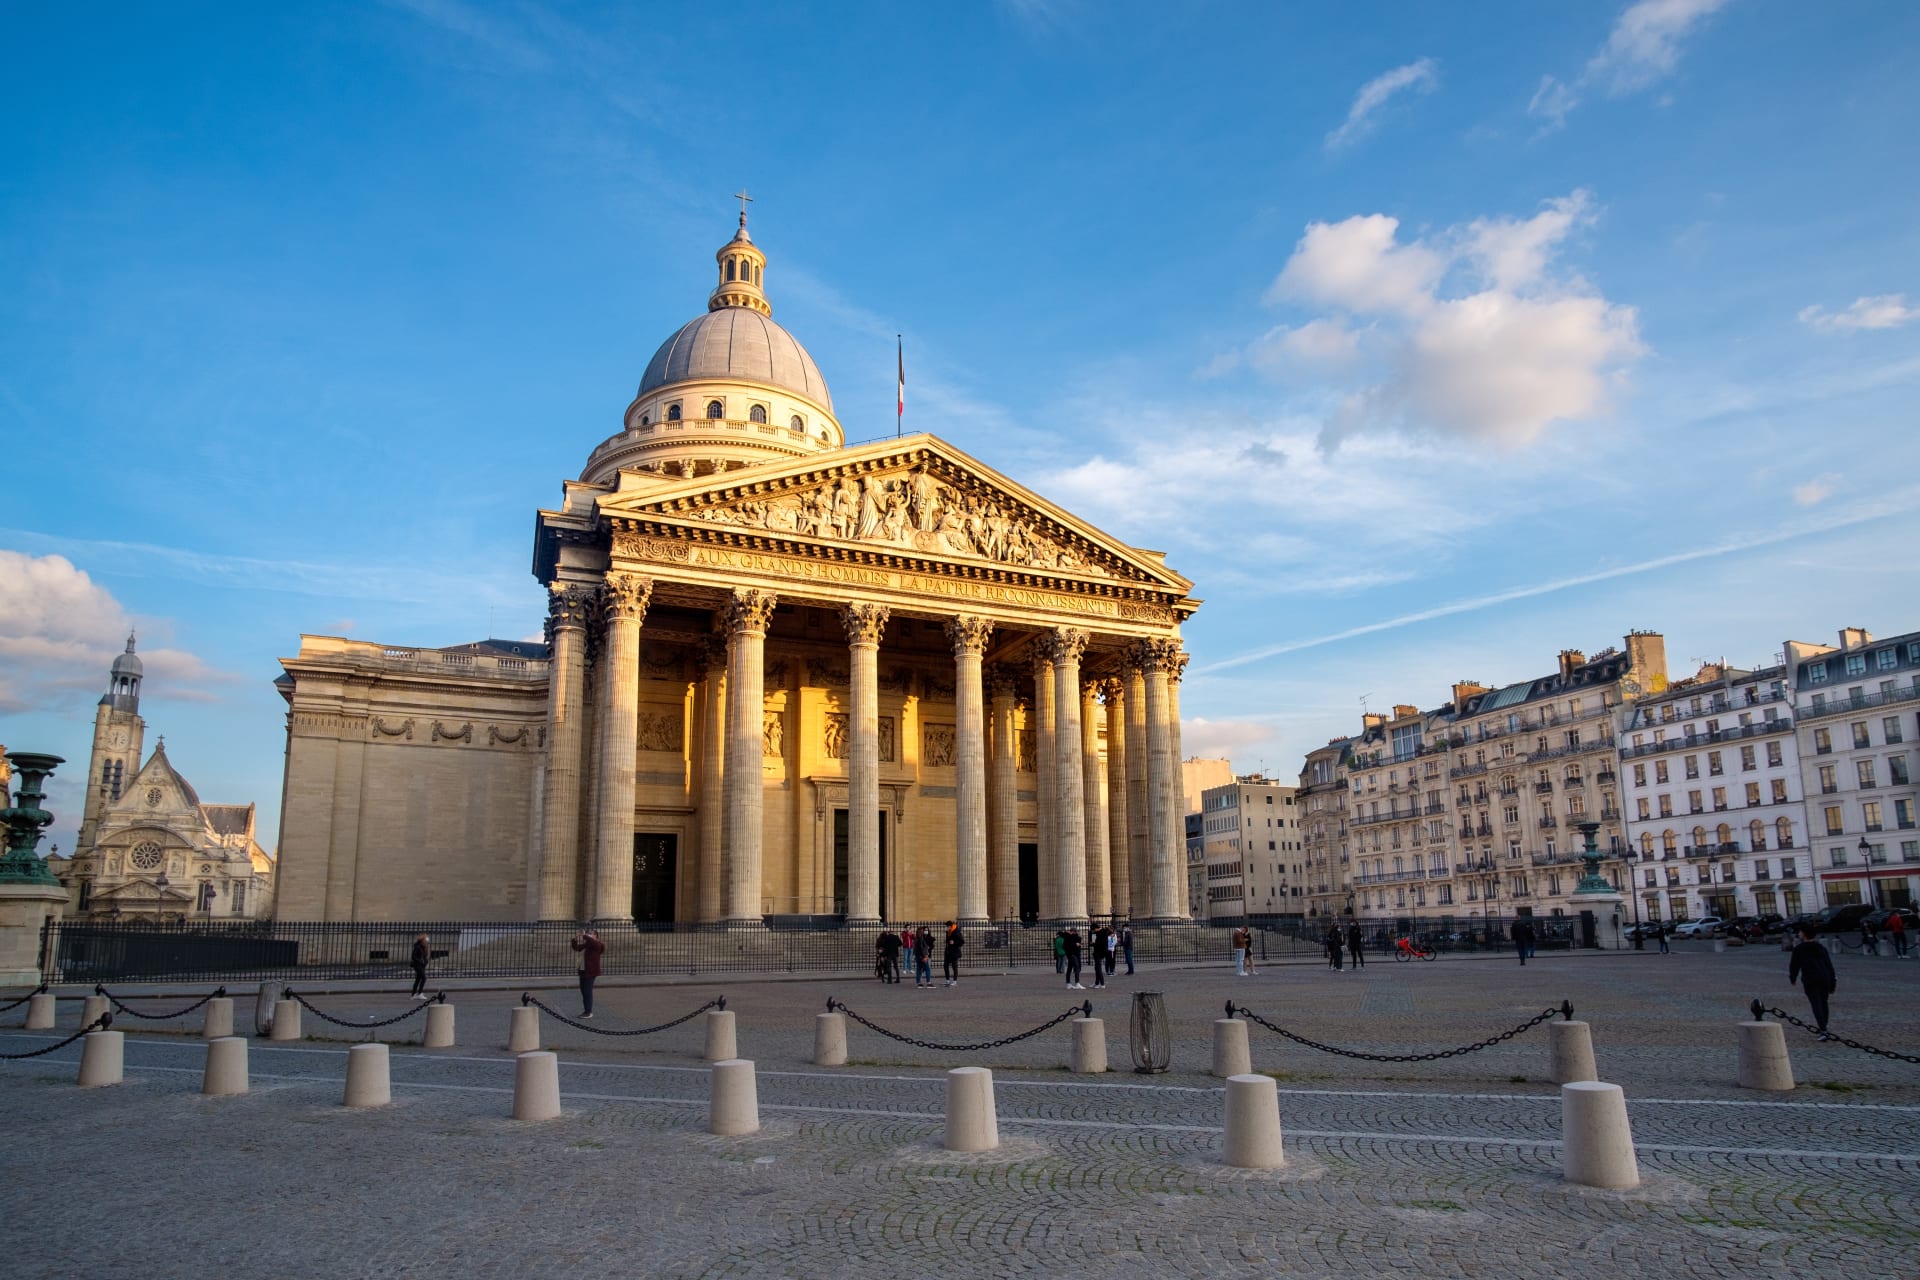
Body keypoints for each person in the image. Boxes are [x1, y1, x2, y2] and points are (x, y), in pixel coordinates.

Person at [1787, 924, 1838, 1039]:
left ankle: (1823, 1029)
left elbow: (1794, 965)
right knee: (1824, 1003)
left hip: (1810, 978)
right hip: (1824, 977)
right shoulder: (1820, 947)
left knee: (1816, 1003)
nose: (1799, 934)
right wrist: (1833, 980)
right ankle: (1824, 1026)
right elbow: (1829, 965)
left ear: (1804, 934)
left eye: (1800, 932)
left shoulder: (1799, 949)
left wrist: (1793, 978)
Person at [570, 927, 605, 1018]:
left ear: (596, 936)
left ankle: (588, 1012)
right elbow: (576, 948)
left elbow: (592, 942)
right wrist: (575, 938)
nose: (589, 934)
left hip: (591, 971)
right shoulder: (588, 944)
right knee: (583, 990)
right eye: (589, 933)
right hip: (582, 970)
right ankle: (586, 1010)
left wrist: (584, 935)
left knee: (587, 991)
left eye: (591, 933)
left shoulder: (598, 944)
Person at [942, 920, 965, 986]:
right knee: (945, 965)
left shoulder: (956, 931)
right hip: (948, 951)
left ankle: (955, 981)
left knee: (954, 967)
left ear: (949, 926)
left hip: (954, 952)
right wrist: (946, 941)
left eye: (946, 926)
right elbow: (949, 940)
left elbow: (962, 941)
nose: (946, 927)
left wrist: (954, 942)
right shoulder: (948, 932)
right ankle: (947, 980)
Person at [409, 933, 431, 999]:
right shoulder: (418, 947)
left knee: (418, 979)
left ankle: (413, 995)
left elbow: (424, 956)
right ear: (422, 940)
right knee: (424, 978)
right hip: (418, 965)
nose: (427, 940)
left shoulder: (423, 946)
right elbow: (413, 956)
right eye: (425, 939)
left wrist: (425, 961)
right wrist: (421, 961)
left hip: (422, 965)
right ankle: (420, 993)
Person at [1091, 924, 1110, 988]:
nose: (1093, 931)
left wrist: (1095, 944)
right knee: (1096, 968)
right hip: (1098, 952)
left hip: (1099, 953)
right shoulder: (1100, 933)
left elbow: (1101, 944)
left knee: (1098, 968)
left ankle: (1102, 984)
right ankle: (1097, 982)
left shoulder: (1102, 933)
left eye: (1093, 930)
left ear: (1096, 928)